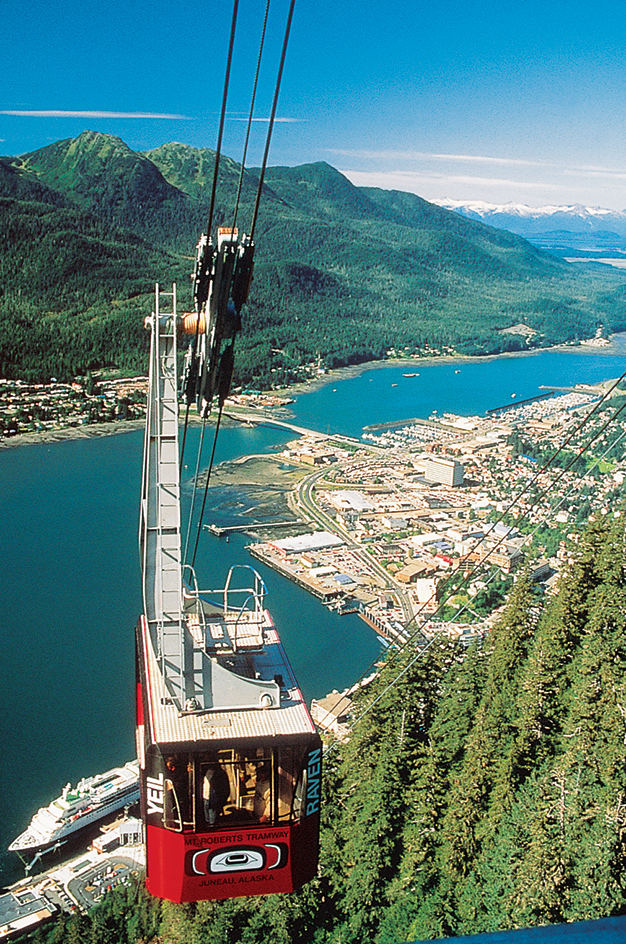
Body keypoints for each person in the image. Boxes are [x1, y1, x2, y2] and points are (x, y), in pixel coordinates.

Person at [203, 761, 230, 826]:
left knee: (212, 822)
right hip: (206, 799)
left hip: (213, 801)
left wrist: (221, 801)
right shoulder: (205, 772)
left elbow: (225, 789)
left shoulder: (219, 774)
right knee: (207, 821)